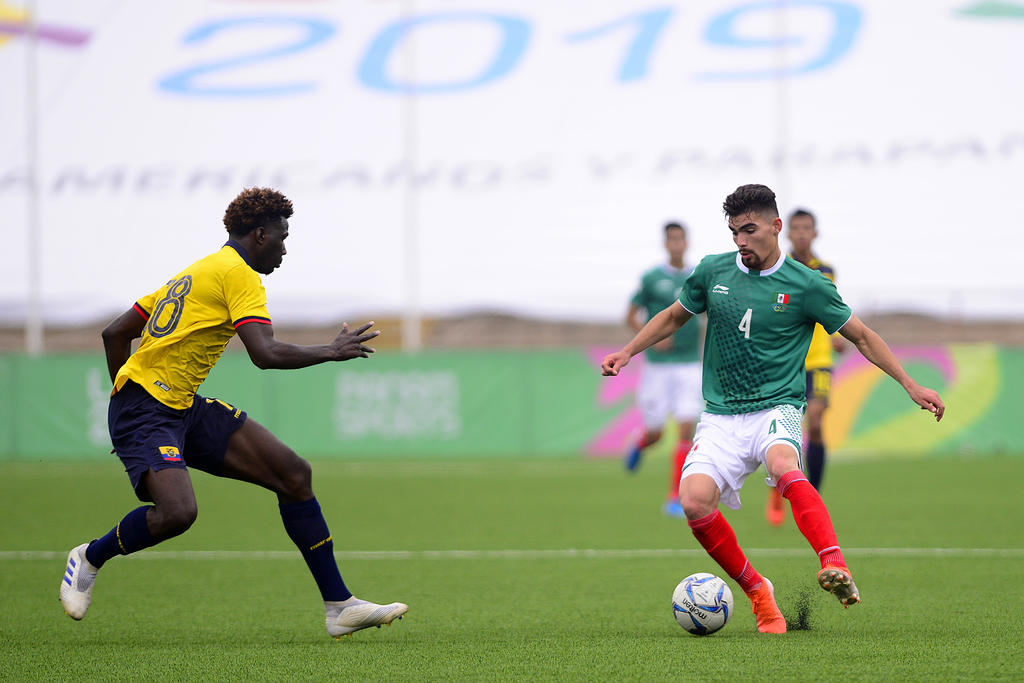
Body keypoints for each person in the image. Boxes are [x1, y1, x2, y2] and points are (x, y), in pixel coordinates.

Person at [58, 187, 408, 639]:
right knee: (178, 512)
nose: (285, 248)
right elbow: (264, 353)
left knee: (292, 474)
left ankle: (339, 606)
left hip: (176, 405)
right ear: (260, 235)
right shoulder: (239, 274)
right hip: (148, 409)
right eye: (282, 237)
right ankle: (89, 557)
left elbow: (114, 333)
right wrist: (331, 350)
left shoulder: (200, 269)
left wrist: (120, 395)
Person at [601, 184, 944, 634]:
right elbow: (672, 317)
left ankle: (833, 564)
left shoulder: (808, 285)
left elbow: (861, 335)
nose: (740, 241)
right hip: (721, 414)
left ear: (775, 227)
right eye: (733, 232)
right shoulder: (712, 271)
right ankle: (759, 593)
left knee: (783, 463)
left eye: (749, 230)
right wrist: (628, 352)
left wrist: (909, 383)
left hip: (777, 406)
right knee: (694, 501)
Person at [765, 208, 846, 526]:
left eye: (806, 228)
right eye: (796, 228)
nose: (801, 233)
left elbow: (830, 307)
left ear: (815, 233)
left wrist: (836, 334)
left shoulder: (826, 270)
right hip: (787, 361)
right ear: (786, 233)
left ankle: (813, 493)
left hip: (819, 360)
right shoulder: (777, 268)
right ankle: (777, 491)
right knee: (784, 431)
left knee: (814, 421)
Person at [623, 222, 703, 519]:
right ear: (665, 244)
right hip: (657, 368)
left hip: (689, 364)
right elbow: (630, 315)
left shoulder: (698, 277)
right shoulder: (652, 279)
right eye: (671, 240)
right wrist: (651, 339)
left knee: (685, 427)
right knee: (656, 432)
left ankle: (675, 496)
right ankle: (640, 443)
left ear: (687, 242)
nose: (676, 244)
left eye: (680, 239)